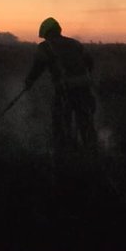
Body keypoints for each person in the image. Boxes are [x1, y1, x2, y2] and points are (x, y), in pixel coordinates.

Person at [24, 17, 97, 151]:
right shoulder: (75, 44)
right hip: (84, 89)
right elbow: (90, 61)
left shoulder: (45, 47)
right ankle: (92, 152)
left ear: (46, 33)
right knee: (86, 122)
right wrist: (86, 77)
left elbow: (38, 66)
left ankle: (64, 153)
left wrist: (29, 81)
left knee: (61, 123)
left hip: (65, 90)